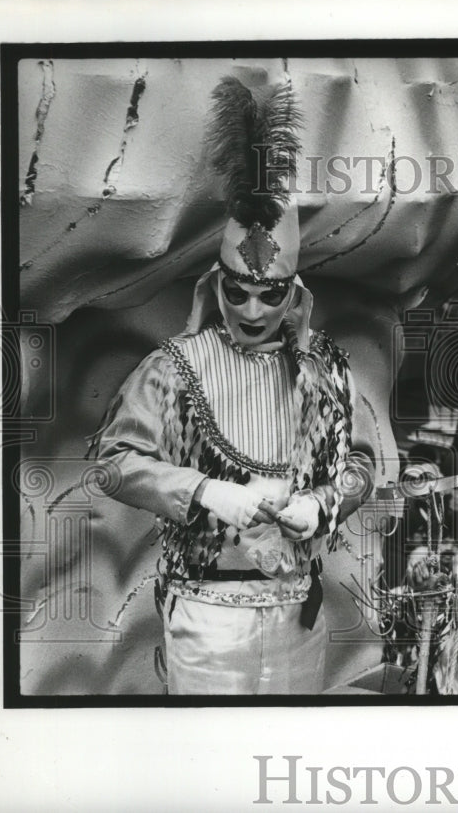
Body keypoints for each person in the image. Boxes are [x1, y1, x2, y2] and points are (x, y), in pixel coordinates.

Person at [89, 74, 375, 694]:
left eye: (269, 295)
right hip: (207, 617)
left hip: (301, 617)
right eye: (236, 292)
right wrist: (200, 490)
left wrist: (321, 505)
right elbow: (111, 464)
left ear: (292, 294)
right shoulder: (174, 367)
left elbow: (361, 465)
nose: (250, 311)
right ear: (216, 284)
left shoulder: (328, 370)